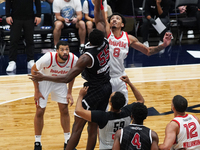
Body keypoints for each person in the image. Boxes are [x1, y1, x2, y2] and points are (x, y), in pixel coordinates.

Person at [29, 0, 111, 149]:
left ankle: (68, 144)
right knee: (93, 127)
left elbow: (67, 78)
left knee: (77, 127)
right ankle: (38, 140)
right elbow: (100, 19)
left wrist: (68, 91)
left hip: (93, 89)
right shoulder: (105, 40)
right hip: (107, 86)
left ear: (89, 39)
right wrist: (98, 2)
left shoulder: (85, 58)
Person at [105, 12, 172, 105]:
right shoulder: (105, 35)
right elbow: (99, 18)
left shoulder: (128, 38)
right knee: (104, 108)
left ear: (122, 24)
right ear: (109, 23)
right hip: (105, 78)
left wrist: (164, 45)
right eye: (112, 18)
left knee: (123, 107)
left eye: (117, 18)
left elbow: (148, 51)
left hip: (120, 77)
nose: (114, 20)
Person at [75, 75, 144, 150]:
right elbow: (141, 100)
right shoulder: (127, 112)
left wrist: (80, 96)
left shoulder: (102, 117)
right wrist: (129, 83)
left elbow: (78, 111)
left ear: (110, 103)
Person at [31, 40, 78, 150]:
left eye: (67, 49)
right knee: (39, 110)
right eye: (62, 49)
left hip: (60, 82)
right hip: (44, 81)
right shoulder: (48, 58)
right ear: (57, 51)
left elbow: (72, 75)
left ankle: (67, 140)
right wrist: (36, 90)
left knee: (64, 109)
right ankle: (37, 142)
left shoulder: (73, 59)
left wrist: (69, 92)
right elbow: (33, 70)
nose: (65, 52)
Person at [5, 0, 41, 73]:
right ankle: (12, 61)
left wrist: (38, 15)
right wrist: (8, 15)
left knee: (30, 40)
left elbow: (37, 1)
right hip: (15, 17)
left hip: (29, 17)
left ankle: (30, 60)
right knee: (13, 40)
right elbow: (8, 1)